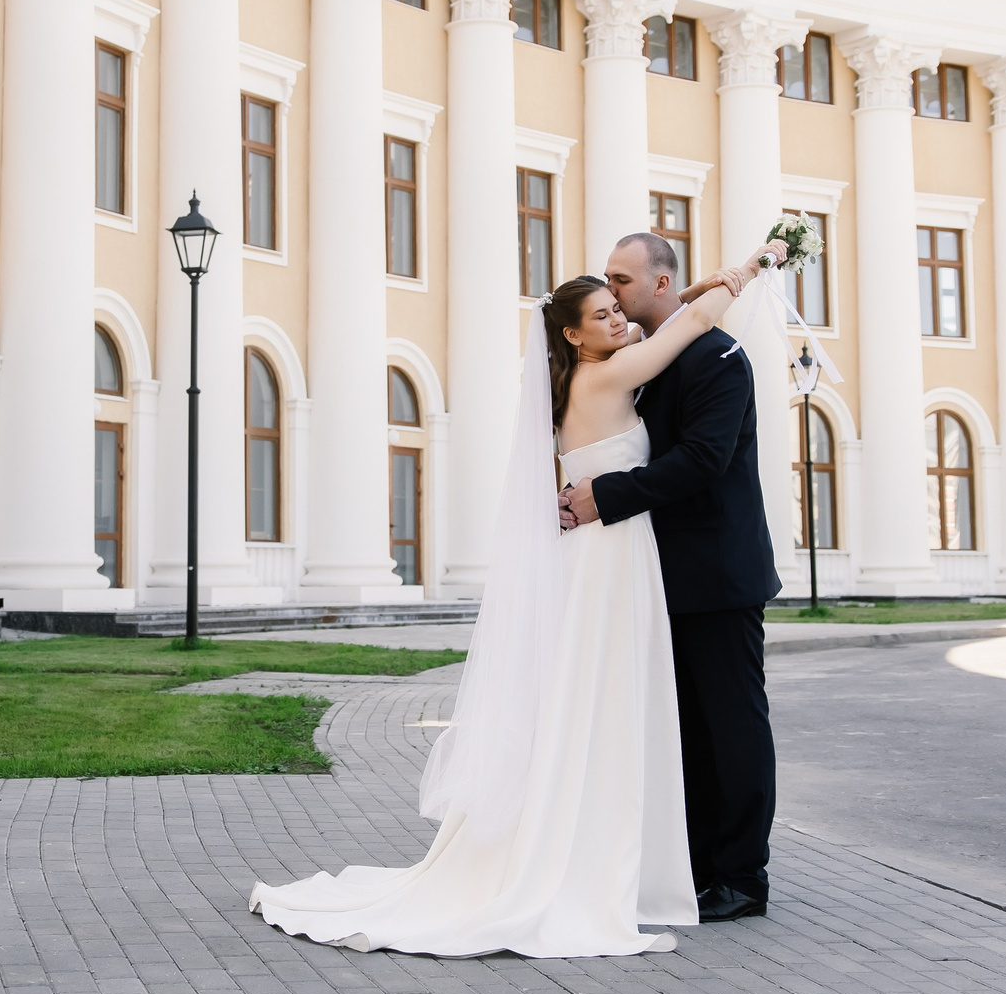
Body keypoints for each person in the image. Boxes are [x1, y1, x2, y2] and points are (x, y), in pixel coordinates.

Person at [249, 253, 757, 958]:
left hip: (603, 554)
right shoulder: (607, 375)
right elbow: (692, 321)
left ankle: (605, 848)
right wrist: (755, 266)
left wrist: (692, 291)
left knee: (590, 702)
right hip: (608, 559)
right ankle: (591, 857)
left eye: (620, 304)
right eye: (603, 312)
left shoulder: (582, 373)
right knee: (601, 703)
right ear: (573, 335)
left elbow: (673, 319)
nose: (618, 316)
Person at [561, 232, 780, 922]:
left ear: (660, 283)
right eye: (606, 280)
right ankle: (693, 865)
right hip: (656, 575)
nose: (610, 290)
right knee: (682, 729)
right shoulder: (639, 356)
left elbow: (703, 459)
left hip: (718, 574)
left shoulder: (719, 358)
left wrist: (606, 494)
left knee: (731, 726)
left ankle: (741, 877)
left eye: (621, 280)